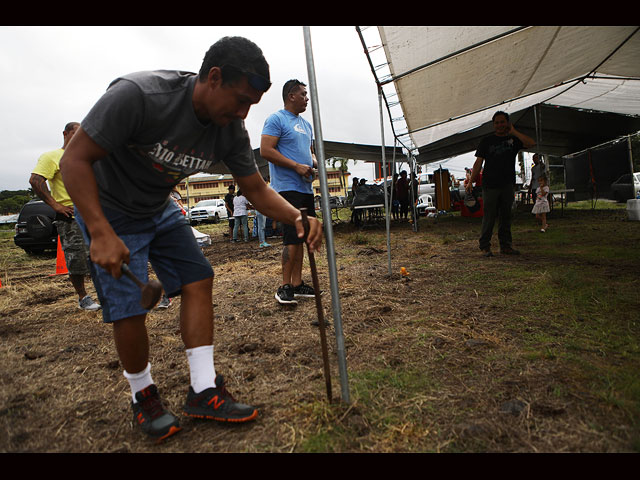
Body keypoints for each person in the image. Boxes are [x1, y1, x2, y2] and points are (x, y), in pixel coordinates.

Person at [59, 36, 323, 443]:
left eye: (251, 104)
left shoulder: (230, 128)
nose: (243, 112)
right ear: (213, 78)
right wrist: (99, 231)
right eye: (239, 100)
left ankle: (203, 390)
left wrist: (296, 215)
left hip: (158, 207)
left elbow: (254, 188)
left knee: (199, 278)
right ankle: (143, 394)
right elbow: (73, 160)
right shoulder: (140, 96)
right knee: (129, 306)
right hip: (108, 207)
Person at [29, 122, 101, 312]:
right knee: (77, 258)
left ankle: (105, 294)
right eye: (75, 133)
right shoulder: (52, 157)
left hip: (94, 212)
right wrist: (55, 205)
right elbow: (36, 180)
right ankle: (83, 297)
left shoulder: (88, 157)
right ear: (65, 133)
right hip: (71, 214)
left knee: (100, 256)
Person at [260, 79, 318, 305]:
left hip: (305, 188)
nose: (307, 98)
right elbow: (266, 150)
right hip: (287, 188)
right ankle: (284, 286)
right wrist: (295, 166)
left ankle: (297, 283)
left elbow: (309, 151)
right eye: (303, 94)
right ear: (290, 95)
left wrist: (312, 163)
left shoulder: (306, 124)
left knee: (303, 237)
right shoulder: (276, 119)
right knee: (292, 237)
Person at [467, 111, 535, 257]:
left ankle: (505, 246)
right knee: (489, 216)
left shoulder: (514, 140)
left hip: (507, 184)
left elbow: (531, 143)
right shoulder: (487, 141)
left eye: (502, 122)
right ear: (493, 125)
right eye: (497, 122)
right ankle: (485, 246)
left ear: (507, 123)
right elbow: (478, 162)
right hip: (490, 185)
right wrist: (470, 182)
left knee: (506, 215)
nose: (499, 125)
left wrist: (514, 132)